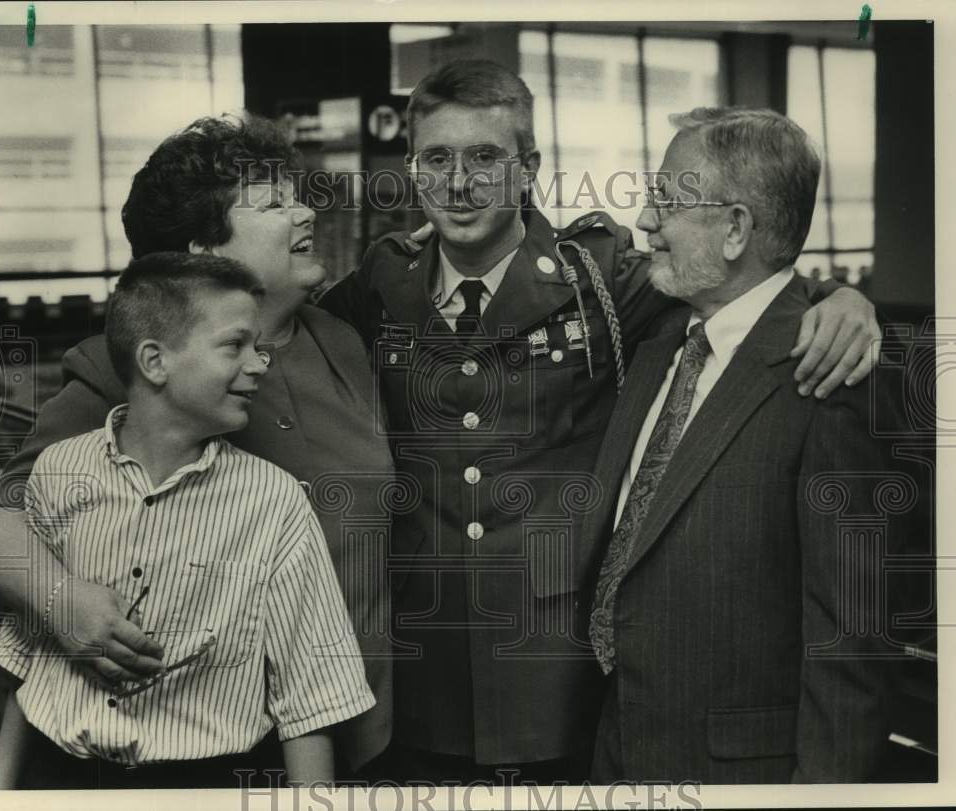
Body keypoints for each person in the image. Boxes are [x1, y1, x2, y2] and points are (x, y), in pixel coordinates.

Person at [316, 59, 883, 783]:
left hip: (555, 683)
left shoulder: (602, 278)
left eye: (486, 157)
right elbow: (271, 335)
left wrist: (837, 298)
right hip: (417, 675)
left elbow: (738, 282)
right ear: (412, 169)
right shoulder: (382, 281)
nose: (459, 183)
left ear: (530, 168)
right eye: (437, 159)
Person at [0, 117, 394, 776]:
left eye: (297, 193)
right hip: (209, 743)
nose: (306, 209)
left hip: (359, 731)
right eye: (274, 201)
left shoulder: (341, 339)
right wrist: (64, 603)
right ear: (205, 253)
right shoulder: (131, 370)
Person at [583, 107, 896, 783]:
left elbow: (849, 638)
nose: (645, 221)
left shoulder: (830, 376)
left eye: (666, 199)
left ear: (734, 228)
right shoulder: (658, 341)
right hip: (615, 752)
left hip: (737, 774)